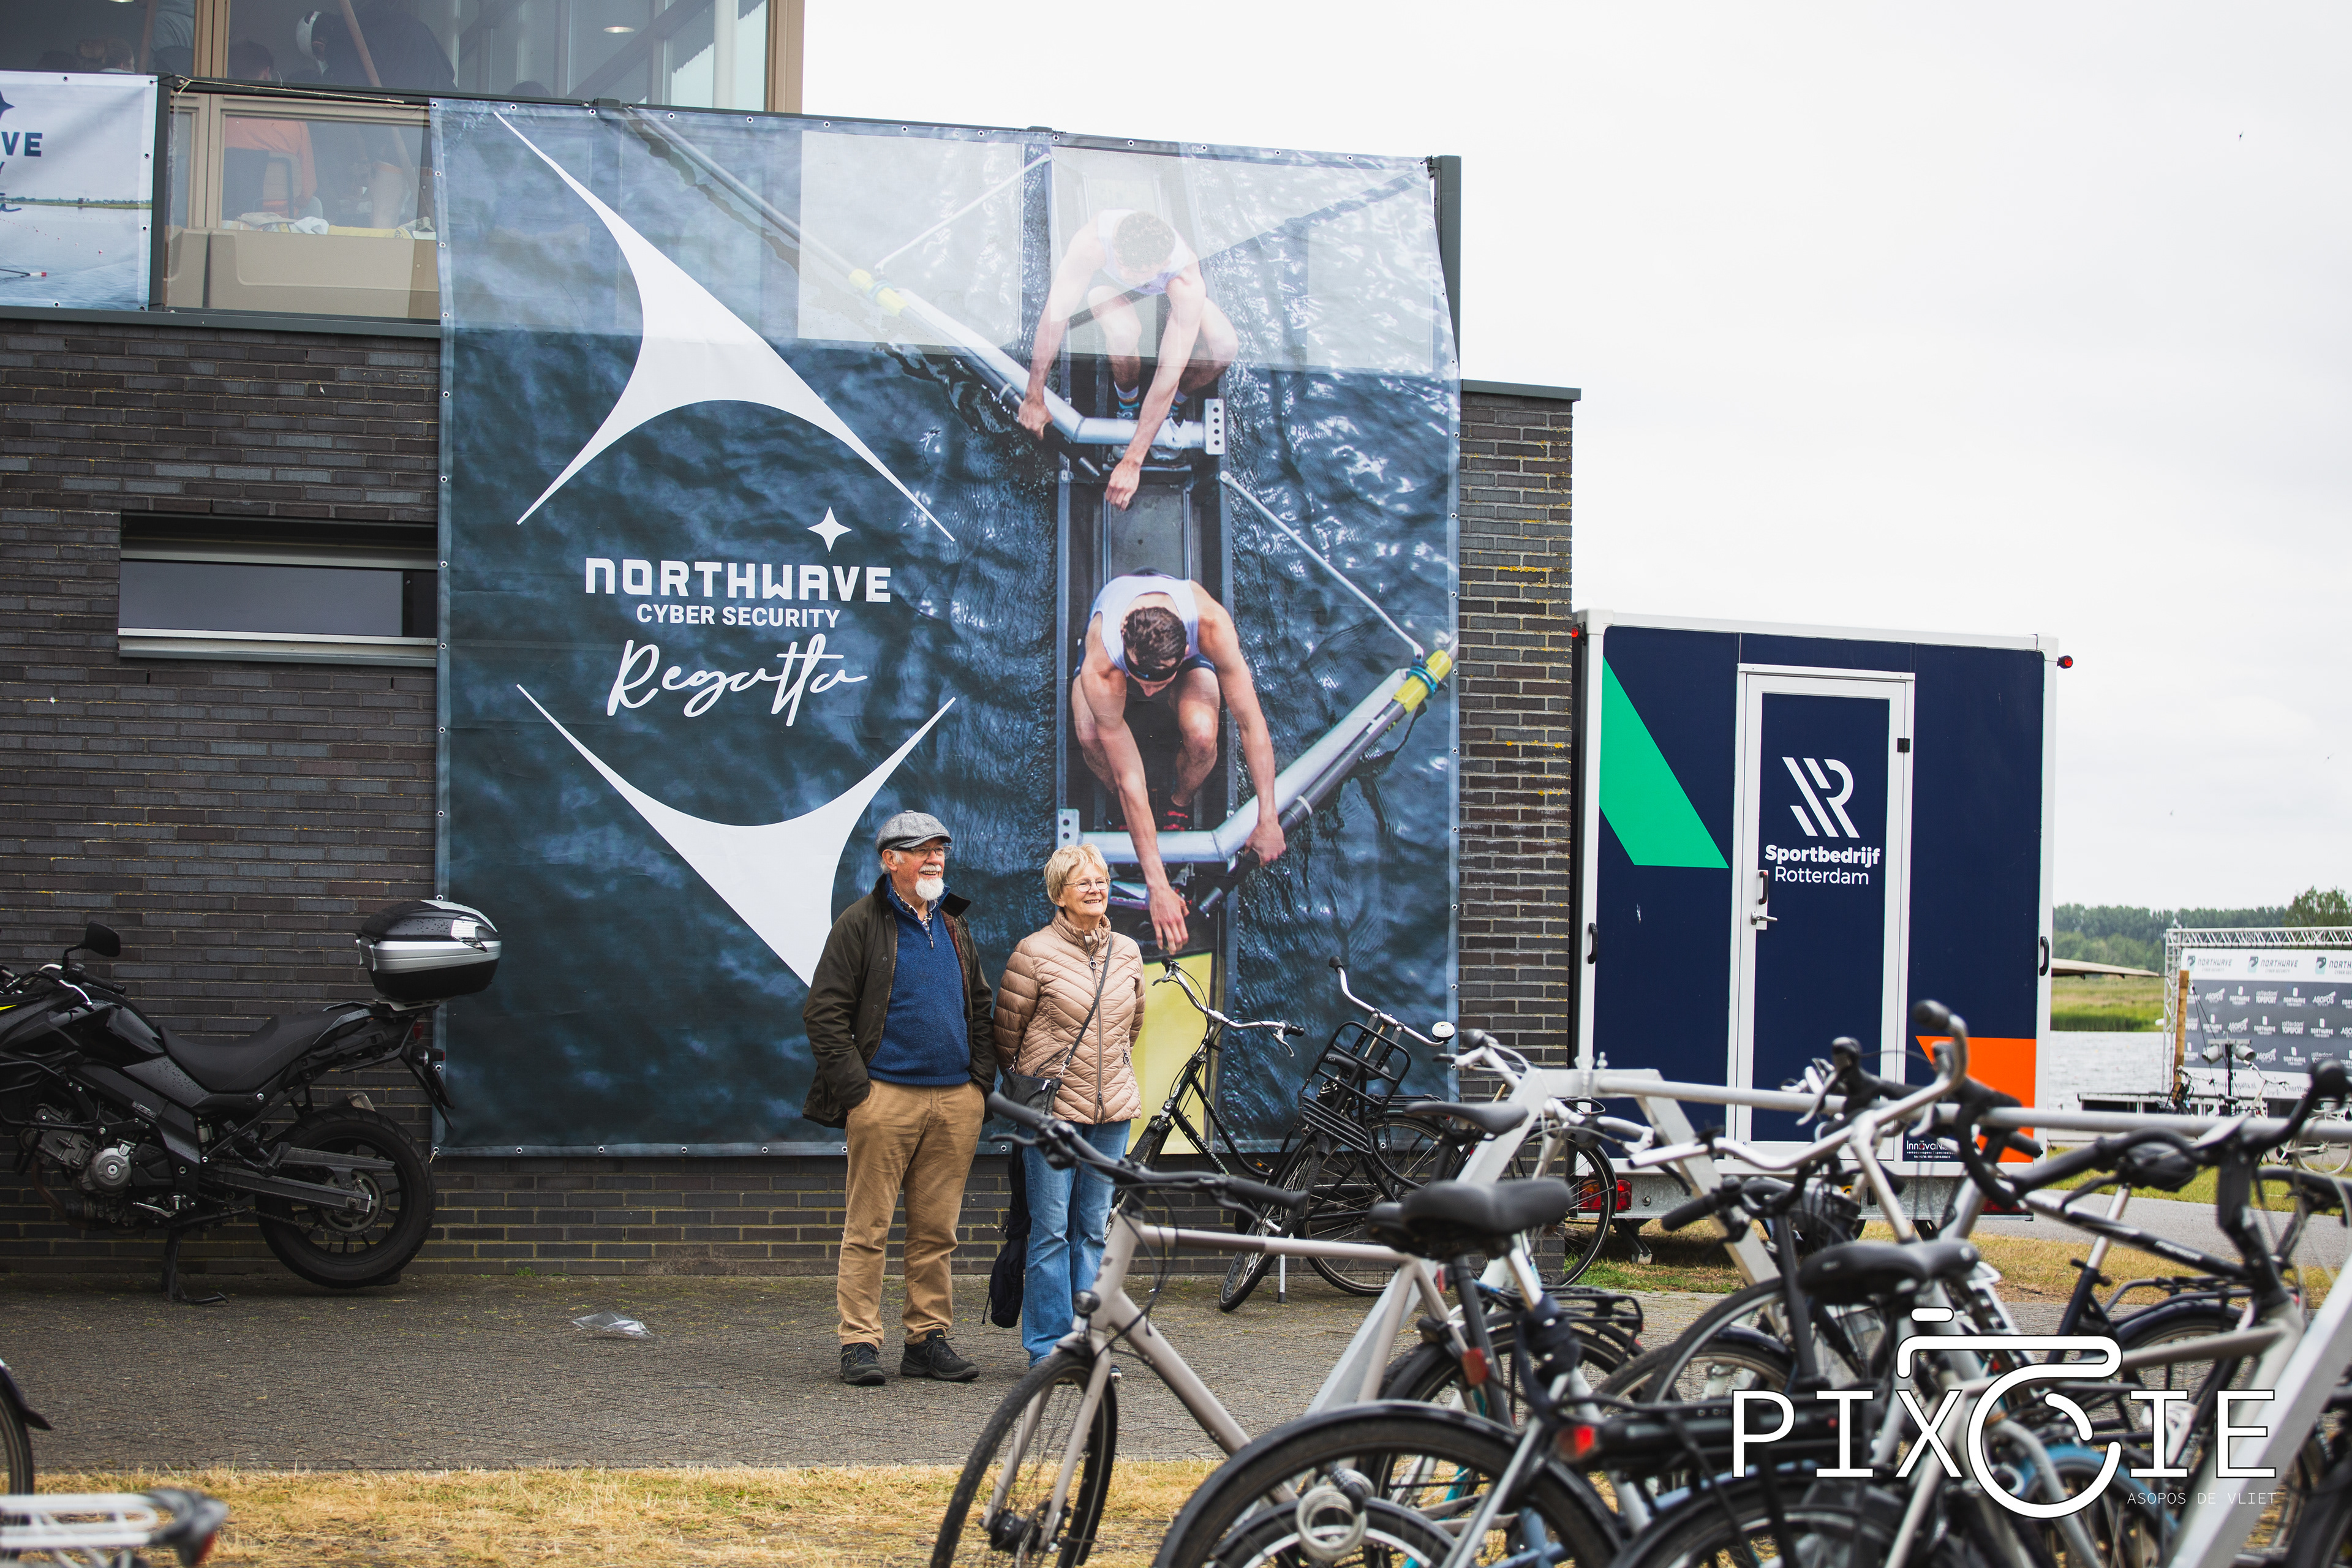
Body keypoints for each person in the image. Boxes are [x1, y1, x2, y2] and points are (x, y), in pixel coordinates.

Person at [802, 811, 995, 1387]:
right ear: (891, 860)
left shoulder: (954, 923)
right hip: (884, 1099)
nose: (935, 859)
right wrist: (860, 1094)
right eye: (921, 850)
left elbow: (979, 1007)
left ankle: (926, 1340)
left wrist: (979, 1085)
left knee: (937, 1233)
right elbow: (824, 1014)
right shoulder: (860, 923)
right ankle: (859, 1343)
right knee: (868, 1229)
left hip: (955, 1102)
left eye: (940, 850)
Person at [1074, 572, 1284, 953]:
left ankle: (1179, 803)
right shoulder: (1105, 662)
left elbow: (1251, 723)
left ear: (1186, 648)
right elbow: (1128, 777)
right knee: (1091, 737)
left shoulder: (1211, 626)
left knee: (1203, 736)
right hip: (1116, 664)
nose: (1147, 691)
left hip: (1173, 657)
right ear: (1124, 639)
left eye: (1158, 682)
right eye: (1141, 680)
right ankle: (1125, 815)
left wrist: (1268, 817)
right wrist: (1158, 886)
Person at [993, 843, 1144, 1366]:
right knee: (1051, 1231)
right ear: (1060, 894)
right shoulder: (1033, 952)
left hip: (1111, 1113)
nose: (1097, 889)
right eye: (1084, 882)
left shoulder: (1128, 951)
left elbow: (1133, 1026)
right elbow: (1006, 1037)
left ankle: (1089, 1341)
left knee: (1093, 1231)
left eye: (1102, 880)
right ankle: (1048, 1348)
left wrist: (1107, 1075)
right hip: (1052, 1114)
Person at [1016, 208, 1238, 510]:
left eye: (1135, 271)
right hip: (1110, 293)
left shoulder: (1185, 280)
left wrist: (1133, 462)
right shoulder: (1092, 244)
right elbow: (1055, 317)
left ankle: (1170, 411)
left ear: (1161, 264)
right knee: (1123, 333)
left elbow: (1169, 372)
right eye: (1122, 263)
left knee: (1225, 347)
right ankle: (1128, 405)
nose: (1126, 272)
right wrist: (1034, 395)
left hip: (1166, 299)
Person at [222, 41, 317, 221]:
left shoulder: (218, 118)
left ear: (232, 74)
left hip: (229, 218)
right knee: (315, 205)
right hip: (280, 221)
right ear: (266, 73)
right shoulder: (294, 121)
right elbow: (306, 193)